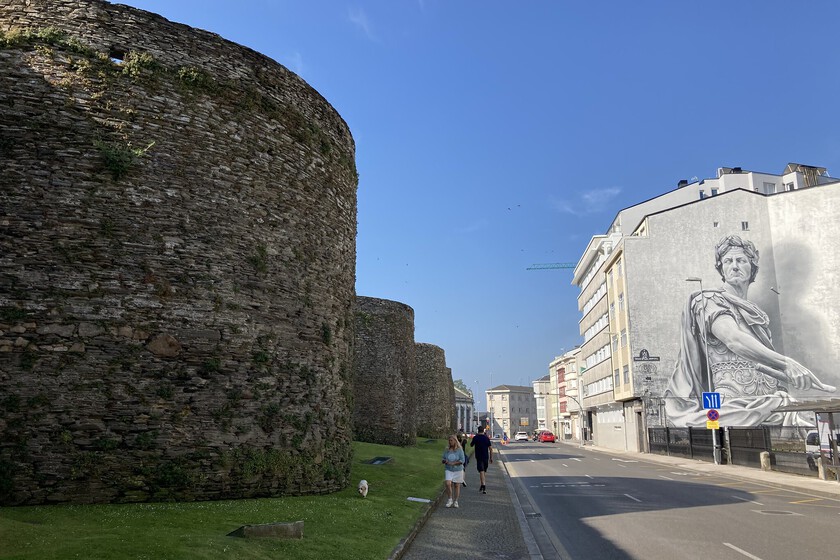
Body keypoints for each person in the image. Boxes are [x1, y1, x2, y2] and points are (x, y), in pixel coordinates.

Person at [665, 235, 835, 427]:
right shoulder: (708, 300)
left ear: (752, 267)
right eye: (728, 261)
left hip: (772, 401)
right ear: (721, 268)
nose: (734, 266)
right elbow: (733, 339)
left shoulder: (757, 313)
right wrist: (787, 363)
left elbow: (760, 363)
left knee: (812, 434)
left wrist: (791, 378)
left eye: (741, 260)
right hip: (734, 406)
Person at [442, 434, 465, 508]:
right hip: (449, 469)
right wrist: (444, 461)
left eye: (451, 440)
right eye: (449, 441)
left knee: (456, 485)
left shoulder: (459, 450)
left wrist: (454, 463)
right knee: (448, 483)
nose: (450, 442)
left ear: (455, 441)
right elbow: (443, 458)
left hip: (458, 469)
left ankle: (456, 501)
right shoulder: (447, 450)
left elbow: (462, 460)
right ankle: (450, 499)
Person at [469, 425, 493, 494]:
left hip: (479, 457)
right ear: (483, 431)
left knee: (481, 471)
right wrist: (491, 458)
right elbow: (491, 449)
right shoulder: (486, 438)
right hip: (486, 457)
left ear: (478, 430)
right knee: (483, 471)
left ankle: (483, 485)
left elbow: (471, 445)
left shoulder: (475, 438)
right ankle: (483, 485)